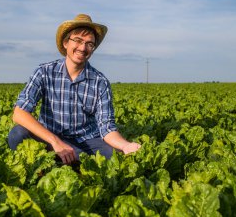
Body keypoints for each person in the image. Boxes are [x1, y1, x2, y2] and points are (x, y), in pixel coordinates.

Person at [8, 14, 141, 164]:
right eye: (78, 40)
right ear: (66, 43)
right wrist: (55, 141)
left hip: (86, 143)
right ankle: (47, 165)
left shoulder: (100, 82)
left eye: (89, 44)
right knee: (17, 134)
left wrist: (126, 145)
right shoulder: (44, 72)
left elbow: (107, 128)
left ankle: (65, 161)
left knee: (117, 156)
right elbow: (19, 113)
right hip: (49, 141)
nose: (83, 48)